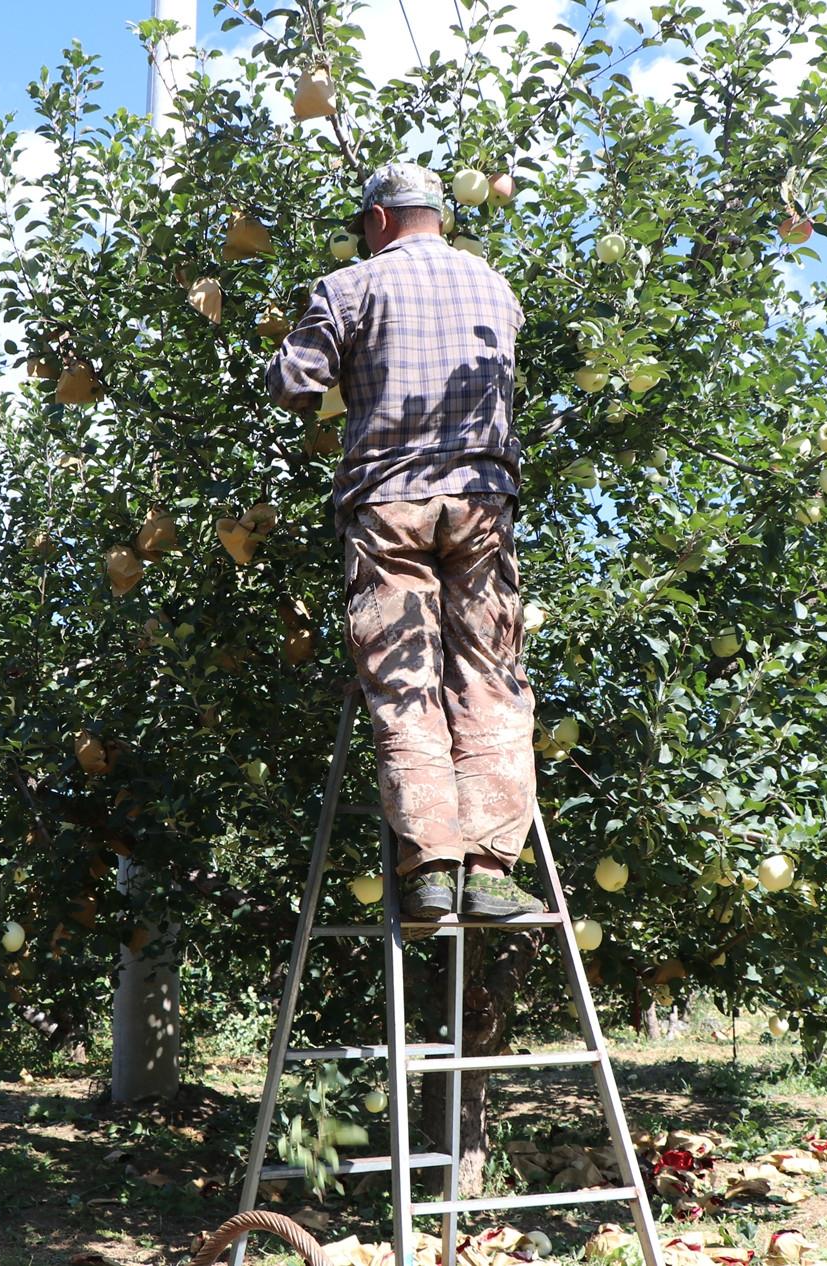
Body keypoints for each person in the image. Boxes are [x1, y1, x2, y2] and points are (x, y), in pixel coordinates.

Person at [266, 162, 540, 930]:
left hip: (389, 503)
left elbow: (293, 385)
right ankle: (491, 871)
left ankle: (430, 867)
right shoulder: (496, 286)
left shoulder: (349, 286)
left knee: (405, 679)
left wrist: (330, 360)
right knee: (490, 677)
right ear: (438, 219)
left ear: (379, 221)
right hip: (482, 504)